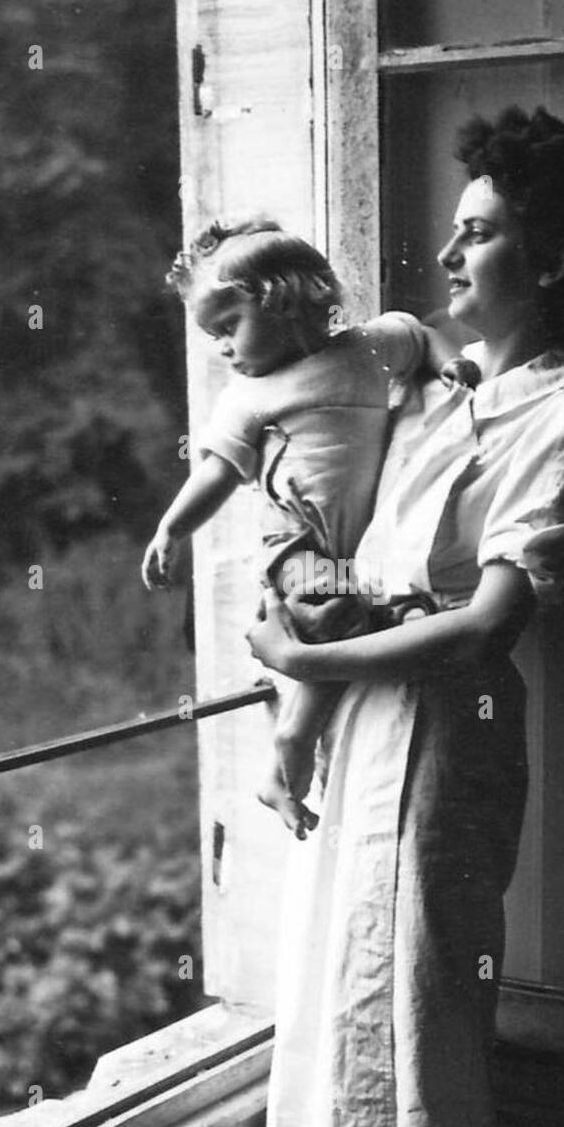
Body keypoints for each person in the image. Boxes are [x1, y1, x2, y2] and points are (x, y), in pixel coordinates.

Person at [245, 106, 564, 1127]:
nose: (450, 255)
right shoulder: (419, 395)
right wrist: (290, 693)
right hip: (363, 723)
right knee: (345, 989)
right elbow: (325, 526)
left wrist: (304, 658)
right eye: (454, 234)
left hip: (446, 739)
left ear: (549, 260)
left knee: (416, 1007)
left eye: (481, 234)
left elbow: (480, 626)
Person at [142, 217, 478, 836]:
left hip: (357, 543)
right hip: (295, 541)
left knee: (369, 607)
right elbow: (214, 473)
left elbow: (419, 332)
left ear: (283, 301)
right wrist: (173, 529)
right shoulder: (250, 398)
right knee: (334, 610)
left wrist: (452, 363)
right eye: (213, 335)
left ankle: (287, 761)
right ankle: (293, 746)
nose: (221, 347)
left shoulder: (366, 348)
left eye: (227, 326)